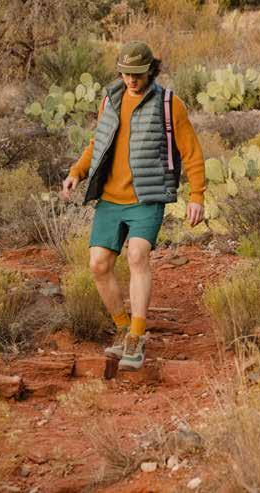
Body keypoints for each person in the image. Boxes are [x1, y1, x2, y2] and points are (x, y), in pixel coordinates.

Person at [62, 41, 205, 371]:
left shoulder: (169, 104)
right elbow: (97, 144)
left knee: (138, 255)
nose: (131, 80)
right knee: (98, 265)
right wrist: (76, 172)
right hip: (110, 198)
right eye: (126, 74)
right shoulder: (110, 100)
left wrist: (197, 195)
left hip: (147, 197)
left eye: (138, 74)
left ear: (151, 70)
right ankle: (124, 330)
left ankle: (137, 338)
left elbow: (192, 152)